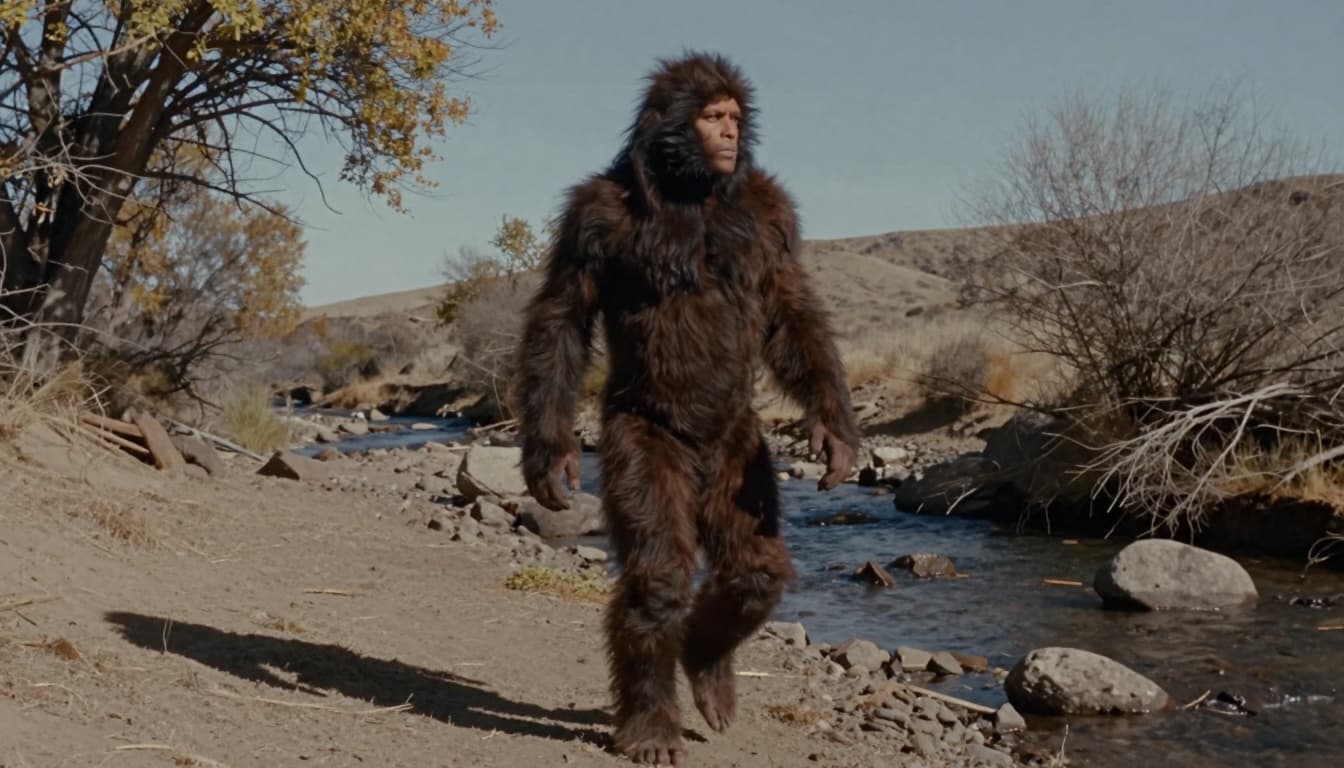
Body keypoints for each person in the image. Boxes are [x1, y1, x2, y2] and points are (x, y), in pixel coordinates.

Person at [513, 51, 859, 765]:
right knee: (659, 583)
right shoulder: (605, 212)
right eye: (711, 117)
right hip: (645, 429)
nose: (730, 130)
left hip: (734, 433)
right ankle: (647, 714)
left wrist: (831, 410)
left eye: (736, 116)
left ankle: (704, 652)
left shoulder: (765, 211)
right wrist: (547, 435)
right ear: (669, 125)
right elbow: (559, 324)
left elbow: (794, 319)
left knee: (759, 579)